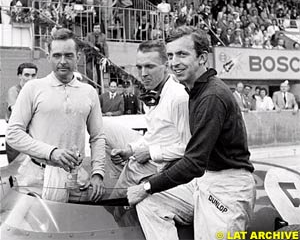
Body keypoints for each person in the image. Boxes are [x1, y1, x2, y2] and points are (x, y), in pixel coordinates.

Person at [127, 27, 255, 240]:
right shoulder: (195, 91)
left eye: (182, 54)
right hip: (207, 182)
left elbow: (194, 162)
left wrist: (147, 186)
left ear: (202, 57)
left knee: (147, 194)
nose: (174, 62)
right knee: (151, 202)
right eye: (170, 56)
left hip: (227, 188)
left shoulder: (211, 96)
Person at [6, 28, 105, 202]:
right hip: (38, 179)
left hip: (75, 178)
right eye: (57, 55)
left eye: (68, 55)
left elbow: (97, 136)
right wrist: (52, 152)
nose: (63, 61)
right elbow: (13, 134)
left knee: (74, 226)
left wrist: (98, 173)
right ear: (48, 56)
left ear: (78, 57)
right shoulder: (33, 88)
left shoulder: (89, 92)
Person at [105, 40, 190, 197]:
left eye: (150, 66)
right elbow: (153, 135)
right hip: (148, 161)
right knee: (102, 127)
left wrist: (151, 153)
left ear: (166, 66)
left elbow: (189, 148)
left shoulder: (179, 97)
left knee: (115, 205)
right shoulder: (152, 94)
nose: (143, 73)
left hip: (164, 168)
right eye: (139, 67)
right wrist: (130, 150)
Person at [5, 62, 38, 163]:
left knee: (33, 171)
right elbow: (19, 113)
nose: (30, 78)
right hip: (17, 136)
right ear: (20, 76)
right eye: (26, 75)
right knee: (16, 170)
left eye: (33, 75)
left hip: (33, 137)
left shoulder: (36, 92)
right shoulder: (14, 91)